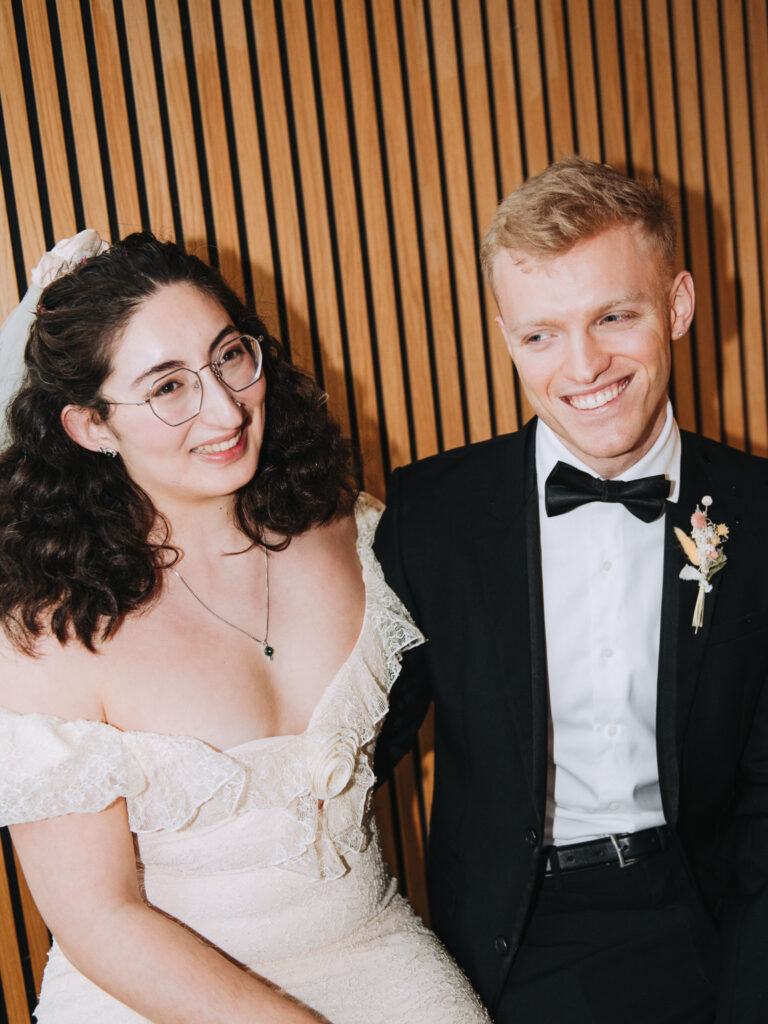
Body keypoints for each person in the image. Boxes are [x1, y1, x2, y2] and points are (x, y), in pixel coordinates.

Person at [0, 231, 490, 1024]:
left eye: (229, 356)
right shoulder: (46, 629)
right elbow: (98, 919)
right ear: (91, 426)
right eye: (168, 387)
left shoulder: (357, 535)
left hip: (374, 952)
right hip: (146, 992)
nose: (227, 408)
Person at [374, 156, 768, 1023]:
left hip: (715, 921)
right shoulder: (429, 515)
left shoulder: (761, 514)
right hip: (512, 941)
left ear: (677, 306)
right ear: (506, 337)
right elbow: (357, 743)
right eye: (541, 335)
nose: (584, 366)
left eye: (614, 317)